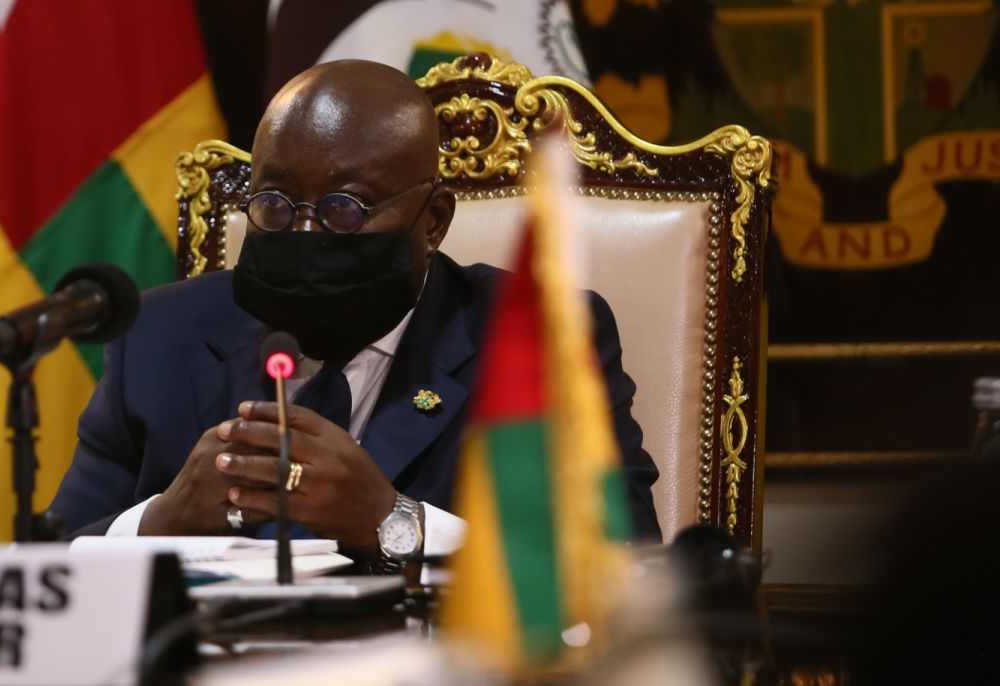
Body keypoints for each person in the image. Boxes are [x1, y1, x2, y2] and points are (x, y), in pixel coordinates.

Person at [50, 60, 661, 564]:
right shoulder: (158, 337)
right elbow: (48, 567)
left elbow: (623, 565)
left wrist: (393, 522)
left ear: (434, 222)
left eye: (348, 208)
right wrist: (162, 520)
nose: (307, 231)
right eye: (276, 203)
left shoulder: (533, 340)